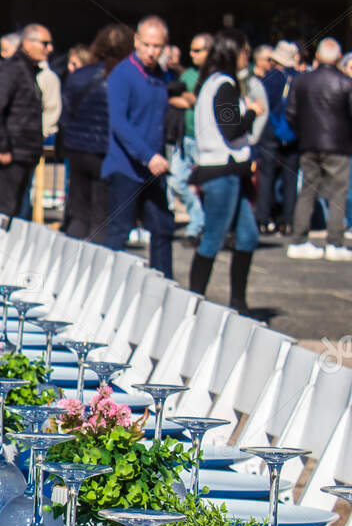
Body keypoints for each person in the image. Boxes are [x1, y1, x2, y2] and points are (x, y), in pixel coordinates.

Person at [188, 29, 269, 308]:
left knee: (247, 236)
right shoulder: (224, 84)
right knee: (212, 238)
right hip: (221, 171)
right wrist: (252, 112)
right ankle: (193, 302)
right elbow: (232, 129)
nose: (247, 56)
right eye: (245, 51)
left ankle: (238, 303)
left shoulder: (213, 82)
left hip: (226, 171)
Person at [102, 16, 177, 274]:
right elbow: (120, 124)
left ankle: (164, 286)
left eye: (157, 46)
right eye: (146, 44)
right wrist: (148, 156)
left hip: (152, 168)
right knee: (119, 233)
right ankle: (105, 289)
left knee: (163, 227)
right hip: (126, 167)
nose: (151, 51)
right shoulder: (122, 74)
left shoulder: (160, 76)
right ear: (136, 41)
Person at [59, 23, 131, 241]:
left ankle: (71, 265)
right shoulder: (125, 78)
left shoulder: (78, 75)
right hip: (107, 152)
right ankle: (97, 267)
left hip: (78, 149)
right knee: (102, 217)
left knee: (78, 213)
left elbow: (66, 115)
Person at [285, 37, 352, 260]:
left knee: (307, 191)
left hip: (309, 143)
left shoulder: (302, 81)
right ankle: (334, 242)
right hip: (338, 145)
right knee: (338, 193)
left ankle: (298, 239)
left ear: (317, 57)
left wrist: (303, 133)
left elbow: (291, 113)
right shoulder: (345, 82)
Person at [0, 23, 49, 218]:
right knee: (7, 208)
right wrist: (2, 147)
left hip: (25, 151)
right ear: (27, 44)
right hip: (12, 152)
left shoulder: (29, 71)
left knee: (19, 208)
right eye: (44, 43)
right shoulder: (11, 70)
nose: (49, 49)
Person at [167, 33, 211, 240]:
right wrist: (187, 100)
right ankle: (198, 218)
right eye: (191, 49)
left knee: (209, 187)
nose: (191, 54)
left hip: (208, 140)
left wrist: (197, 100)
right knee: (176, 181)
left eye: (197, 50)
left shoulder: (216, 75)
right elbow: (172, 98)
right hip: (185, 137)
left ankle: (203, 227)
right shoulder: (186, 75)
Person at [255, 39, 300, 234]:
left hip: (270, 129)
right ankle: (288, 220)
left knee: (267, 175)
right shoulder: (301, 78)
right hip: (294, 131)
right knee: (291, 177)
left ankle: (263, 219)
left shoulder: (270, 78)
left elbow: (263, 104)